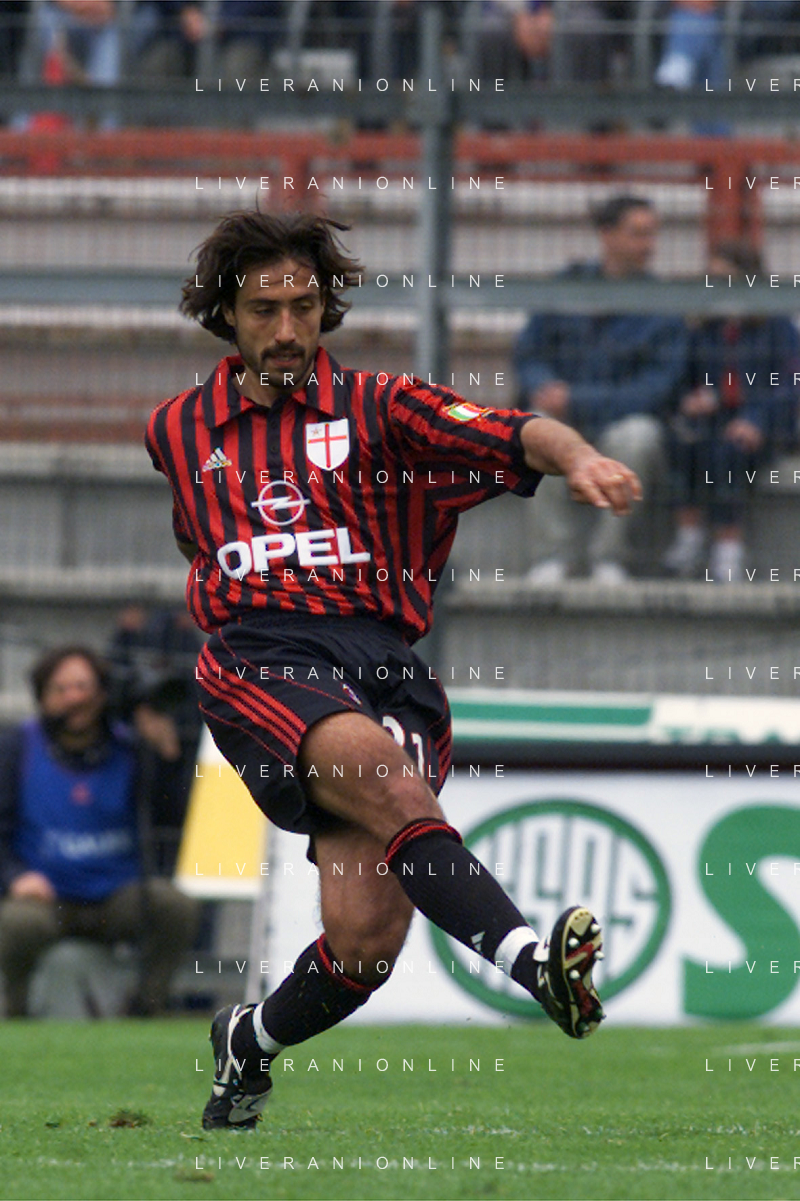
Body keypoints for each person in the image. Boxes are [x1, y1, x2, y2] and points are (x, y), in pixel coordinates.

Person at [145, 211, 640, 1130]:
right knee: (392, 785)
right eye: (264, 309)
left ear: (327, 309)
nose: (287, 328)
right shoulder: (176, 428)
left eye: (304, 306)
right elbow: (199, 537)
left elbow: (516, 430)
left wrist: (580, 457)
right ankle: (537, 968)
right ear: (226, 315)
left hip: (381, 663)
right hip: (262, 654)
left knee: (365, 943)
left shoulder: (384, 407)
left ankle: (246, 1042)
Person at [0, 645, 199, 1017]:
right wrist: (15, 877)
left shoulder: (130, 746)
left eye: (83, 687)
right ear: (42, 697)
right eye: (61, 689)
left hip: (115, 897)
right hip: (47, 899)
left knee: (174, 908)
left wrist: (166, 755)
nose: (73, 698)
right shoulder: (17, 747)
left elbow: (171, 816)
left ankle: (146, 1008)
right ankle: (15, 1012)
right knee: (16, 922)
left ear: (103, 694)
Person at [514, 193, 688, 583]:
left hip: (621, 422)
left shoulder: (662, 304)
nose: (649, 245)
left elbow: (659, 387)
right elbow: (528, 351)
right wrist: (543, 386)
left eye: (652, 234)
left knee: (639, 435)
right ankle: (552, 557)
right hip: (564, 415)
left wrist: (577, 399)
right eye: (638, 234)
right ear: (607, 235)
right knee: (536, 425)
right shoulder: (567, 286)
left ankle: (610, 558)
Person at [663, 240, 800, 582]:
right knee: (685, 444)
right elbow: (680, 378)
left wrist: (756, 419)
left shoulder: (775, 326)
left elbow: (789, 383)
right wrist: (690, 400)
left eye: (725, 279)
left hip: (761, 425)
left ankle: (728, 548)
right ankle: (689, 535)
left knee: (727, 454)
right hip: (711, 421)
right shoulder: (702, 329)